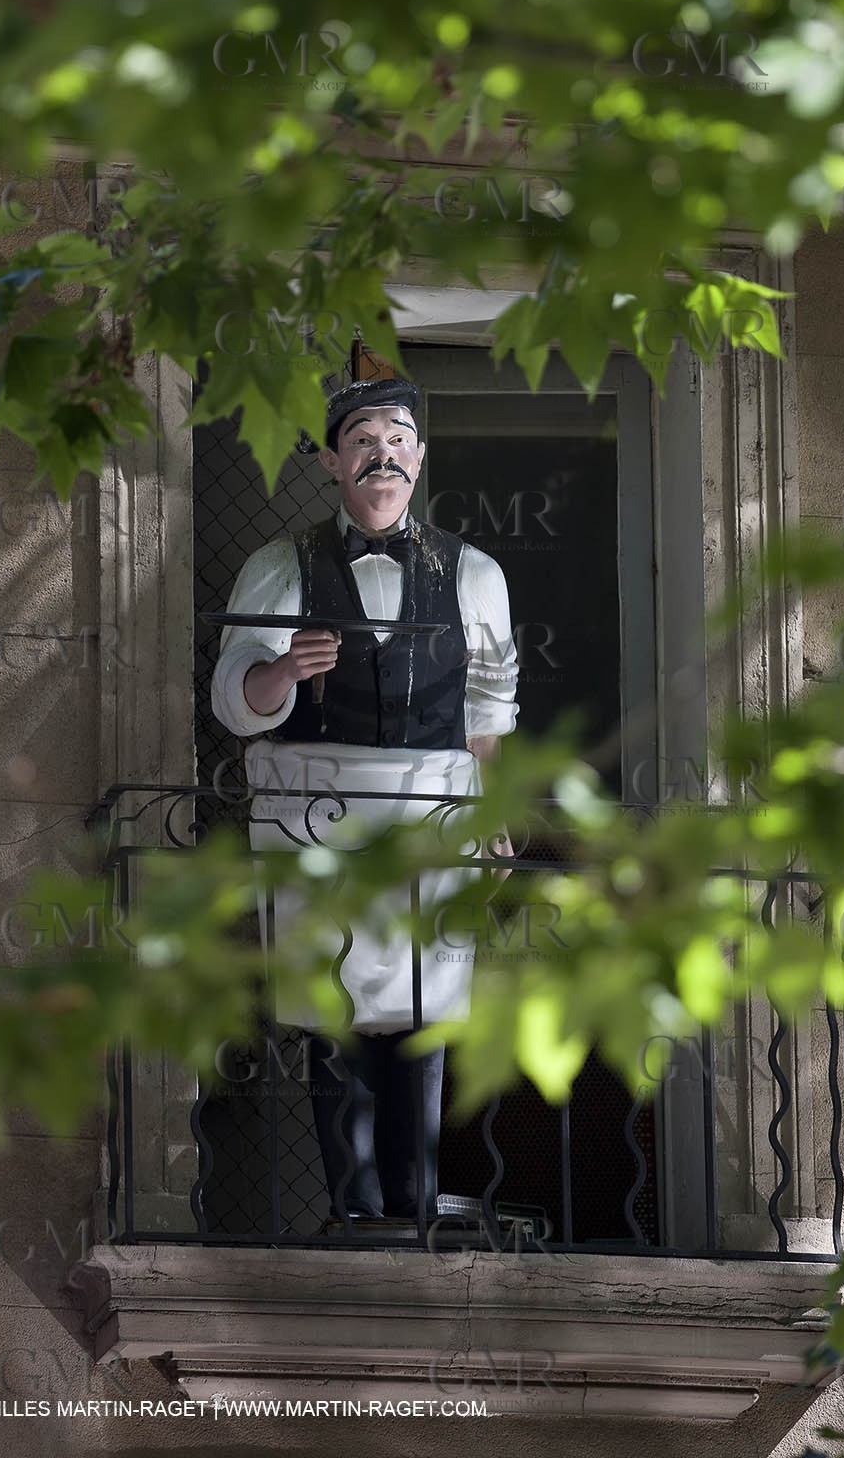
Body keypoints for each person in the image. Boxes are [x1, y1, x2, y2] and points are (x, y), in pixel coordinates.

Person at [210, 369, 518, 1229]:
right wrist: (280, 672)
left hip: (430, 817)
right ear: (331, 463)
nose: (381, 458)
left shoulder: (474, 572)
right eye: (361, 443)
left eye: (396, 442)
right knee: (336, 1015)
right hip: (316, 815)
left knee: (420, 1018)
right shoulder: (278, 567)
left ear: (418, 458)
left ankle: (413, 1208)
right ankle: (353, 1212)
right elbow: (233, 700)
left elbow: (489, 704)